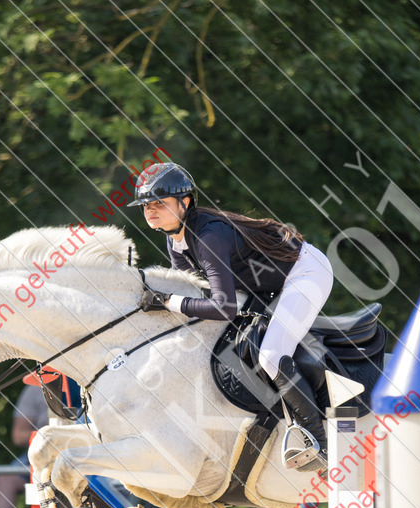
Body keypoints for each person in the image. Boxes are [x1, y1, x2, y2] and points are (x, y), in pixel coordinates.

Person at [129, 161, 334, 472]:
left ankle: (320, 443)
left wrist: (168, 301)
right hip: (265, 286)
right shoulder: (174, 240)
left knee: (271, 355)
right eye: (146, 205)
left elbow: (223, 307)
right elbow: (199, 299)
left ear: (185, 202)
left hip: (305, 273)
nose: (151, 211)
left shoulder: (209, 236)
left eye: (159, 203)